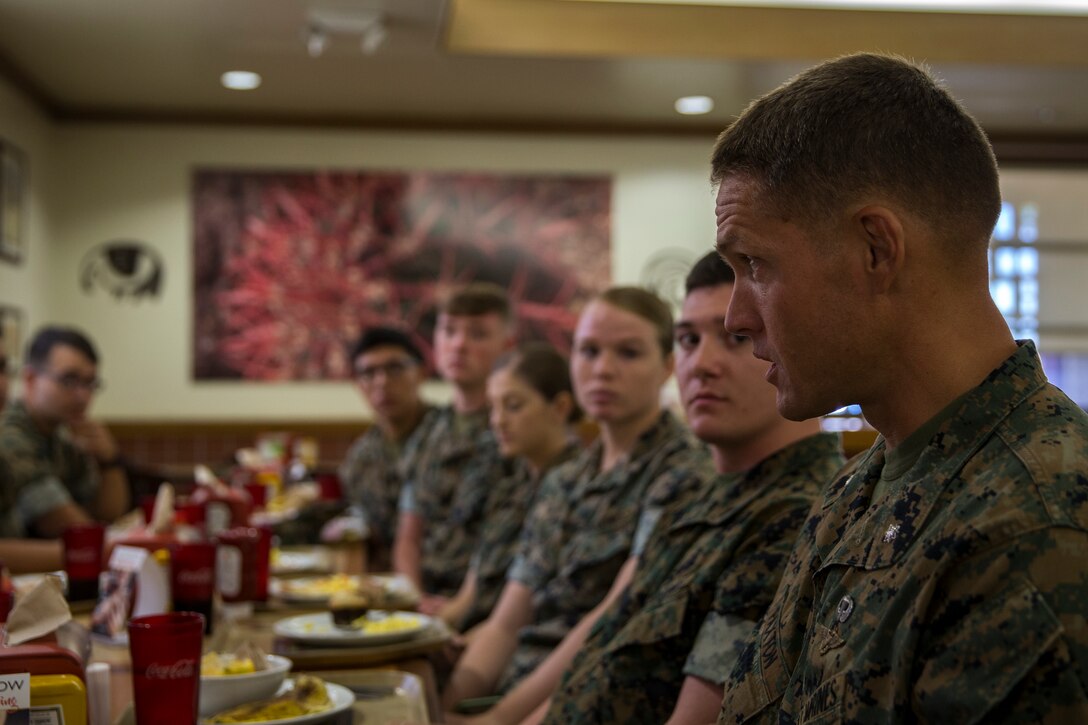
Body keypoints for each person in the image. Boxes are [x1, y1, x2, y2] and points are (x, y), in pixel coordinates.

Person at [712, 53, 1088, 722]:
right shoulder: (861, 487)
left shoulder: (1033, 528)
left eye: (756, 265)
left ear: (876, 250)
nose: (735, 320)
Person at [524, 252, 844, 725]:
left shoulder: (790, 515)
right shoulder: (697, 494)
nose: (700, 364)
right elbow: (596, 667)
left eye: (736, 337)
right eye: (689, 340)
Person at [442, 286, 714, 714]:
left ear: (667, 367)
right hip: (513, 688)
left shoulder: (682, 473)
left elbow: (607, 624)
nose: (603, 370)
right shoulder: (565, 479)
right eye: (588, 351)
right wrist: (445, 706)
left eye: (628, 353)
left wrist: (498, 718)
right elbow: (507, 622)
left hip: (583, 701)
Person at [437, 342, 583, 633]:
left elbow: (553, 609)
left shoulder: (579, 487)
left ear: (560, 407)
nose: (498, 421)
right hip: (472, 635)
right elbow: (470, 594)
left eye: (513, 406)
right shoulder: (510, 483)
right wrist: (434, 628)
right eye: (493, 407)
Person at [394, 283, 512, 607]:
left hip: (489, 609)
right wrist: (416, 600)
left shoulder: (517, 429)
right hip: (423, 602)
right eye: (449, 331)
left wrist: (456, 610)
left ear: (507, 344)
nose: (459, 345)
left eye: (478, 334)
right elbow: (409, 537)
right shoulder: (428, 432)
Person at [0, 325, 130, 540]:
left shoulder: (63, 438)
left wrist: (109, 460)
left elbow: (108, 514)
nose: (83, 396)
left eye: (90, 383)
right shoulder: (12, 437)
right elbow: (80, 536)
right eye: (69, 380)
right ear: (30, 380)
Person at [329, 326, 436, 571]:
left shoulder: (449, 439)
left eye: (395, 368)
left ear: (421, 373)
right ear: (358, 385)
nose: (382, 382)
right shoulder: (360, 458)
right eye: (369, 372)